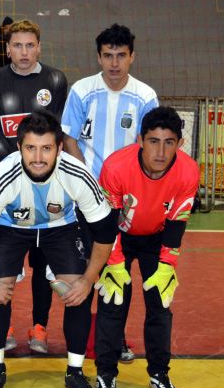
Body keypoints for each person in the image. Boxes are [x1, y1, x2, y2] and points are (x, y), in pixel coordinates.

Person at [0, 110, 118, 388]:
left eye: (46, 148)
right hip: (10, 227)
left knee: (78, 291)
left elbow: (105, 232)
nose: (38, 157)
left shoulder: (77, 173)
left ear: (59, 148)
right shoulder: (3, 175)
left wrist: (88, 280)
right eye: (30, 148)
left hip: (59, 227)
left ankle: (75, 371)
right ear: (19, 148)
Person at [61, 23, 159, 363]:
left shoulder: (145, 97)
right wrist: (87, 180)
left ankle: (114, 338)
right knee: (88, 268)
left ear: (132, 57)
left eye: (120, 55)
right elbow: (69, 138)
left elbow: (149, 146)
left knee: (118, 273)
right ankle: (86, 340)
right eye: (107, 56)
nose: (114, 63)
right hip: (86, 199)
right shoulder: (82, 91)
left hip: (127, 202)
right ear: (98, 57)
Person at [94, 106, 199, 388]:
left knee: (161, 303)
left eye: (169, 142)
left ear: (179, 143)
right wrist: (113, 263)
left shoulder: (189, 171)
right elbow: (105, 223)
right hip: (119, 236)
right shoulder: (116, 168)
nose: (161, 151)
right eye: (154, 141)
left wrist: (168, 265)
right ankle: (106, 371)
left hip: (157, 237)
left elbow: (177, 222)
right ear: (140, 139)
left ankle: (159, 372)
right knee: (113, 300)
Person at [0, 19, 69, 355]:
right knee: (5, 264)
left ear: (39, 47)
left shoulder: (55, 80)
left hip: (48, 188)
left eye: (29, 45)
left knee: (42, 262)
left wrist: (40, 175)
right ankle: (2, 328)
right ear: (7, 49)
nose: (23, 52)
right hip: (7, 187)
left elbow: (57, 135)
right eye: (17, 45)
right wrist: (20, 177)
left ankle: (39, 327)